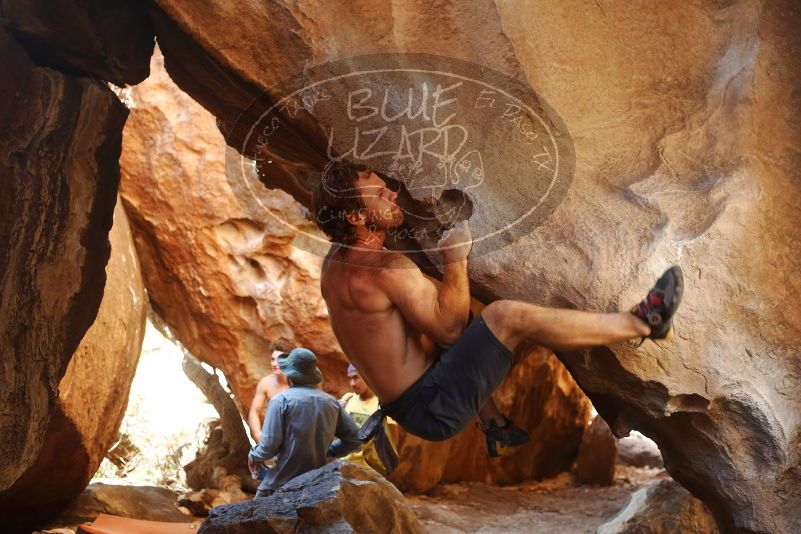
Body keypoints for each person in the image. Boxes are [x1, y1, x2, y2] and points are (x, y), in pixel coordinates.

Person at [312, 162, 684, 463]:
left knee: (426, 317)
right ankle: (643, 322)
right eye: (379, 194)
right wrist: (455, 258)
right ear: (356, 218)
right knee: (504, 317)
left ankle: (494, 425)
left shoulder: (335, 265)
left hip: (412, 399)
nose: (392, 193)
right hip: (433, 405)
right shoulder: (387, 270)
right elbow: (452, 329)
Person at [247, 348, 362, 498]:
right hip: (317, 483)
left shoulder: (280, 401)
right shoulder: (331, 403)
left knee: (255, 514)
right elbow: (355, 440)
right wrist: (330, 450)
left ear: (289, 374)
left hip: (281, 482)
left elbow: (269, 446)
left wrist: (254, 455)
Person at [340, 364, 399, 475]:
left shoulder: (382, 404)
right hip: (346, 466)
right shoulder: (348, 399)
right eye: (350, 378)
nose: (352, 383)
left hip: (370, 471)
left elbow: (393, 439)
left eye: (356, 377)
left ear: (367, 376)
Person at [247, 347, 290, 443]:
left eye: (279, 359)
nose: (275, 364)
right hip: (276, 437)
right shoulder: (266, 383)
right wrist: (258, 435)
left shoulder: (299, 382)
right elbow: (254, 411)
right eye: (273, 359)